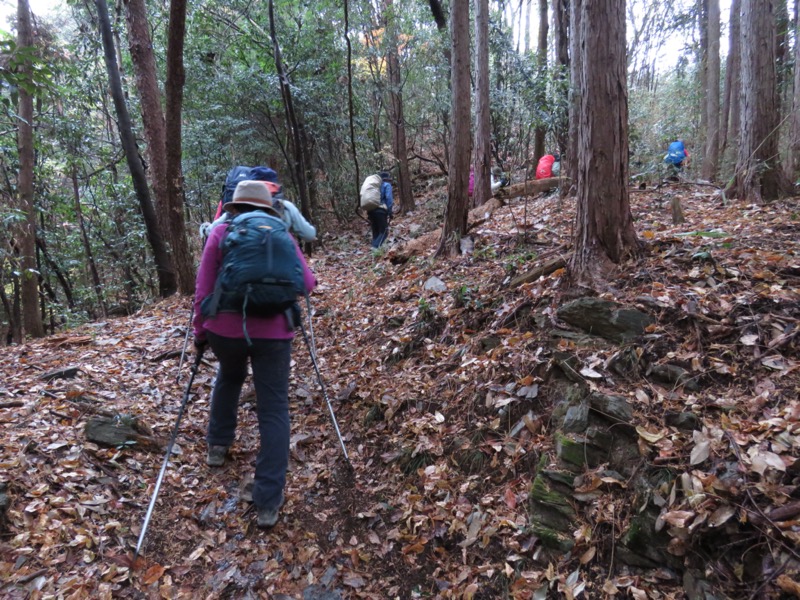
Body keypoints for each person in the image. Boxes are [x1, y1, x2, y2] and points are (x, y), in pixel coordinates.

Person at [193, 180, 317, 529]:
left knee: (229, 376)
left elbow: (203, 288)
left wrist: (200, 334)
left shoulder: (220, 233)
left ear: (235, 207)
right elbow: (307, 284)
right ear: (267, 207)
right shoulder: (283, 234)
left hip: (226, 331)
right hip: (275, 334)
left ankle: (217, 446)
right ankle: (268, 502)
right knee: (274, 408)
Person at [207, 166, 317, 243]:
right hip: (281, 268)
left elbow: (212, 230)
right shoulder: (285, 206)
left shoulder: (239, 207)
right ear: (275, 184)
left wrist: (205, 228)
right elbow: (309, 235)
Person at [367, 171, 393, 248]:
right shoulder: (387, 185)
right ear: (387, 179)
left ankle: (373, 254)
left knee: (376, 232)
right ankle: (374, 248)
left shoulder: (374, 187)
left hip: (371, 211)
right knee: (384, 232)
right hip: (380, 211)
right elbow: (389, 198)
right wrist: (390, 211)